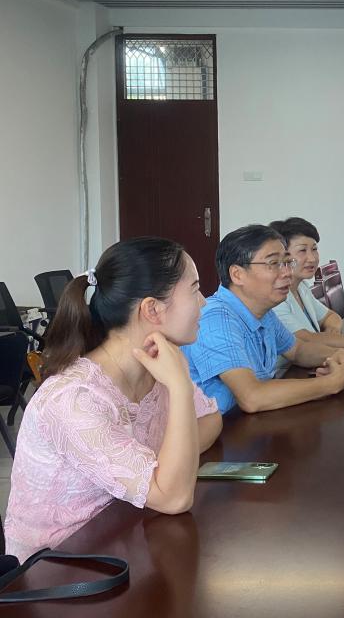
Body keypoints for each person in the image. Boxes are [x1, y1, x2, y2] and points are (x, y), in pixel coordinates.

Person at [3, 237, 223, 561]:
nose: (203, 302)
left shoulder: (158, 363)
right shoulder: (73, 399)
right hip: (58, 569)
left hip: (127, 539)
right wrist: (178, 388)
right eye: (195, 289)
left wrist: (158, 468)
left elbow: (210, 419)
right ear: (152, 309)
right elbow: (174, 498)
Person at [183, 225, 344, 414]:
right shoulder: (215, 319)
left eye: (287, 262)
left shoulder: (262, 311)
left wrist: (336, 353)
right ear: (237, 274)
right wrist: (330, 384)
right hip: (219, 429)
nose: (287, 273)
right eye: (273, 264)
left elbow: (298, 350)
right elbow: (251, 397)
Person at [268, 217, 344, 376]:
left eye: (314, 249)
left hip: (309, 365)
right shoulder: (275, 298)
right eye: (303, 250)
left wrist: (331, 333)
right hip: (285, 375)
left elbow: (331, 317)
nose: (312, 258)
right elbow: (304, 340)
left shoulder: (301, 287)